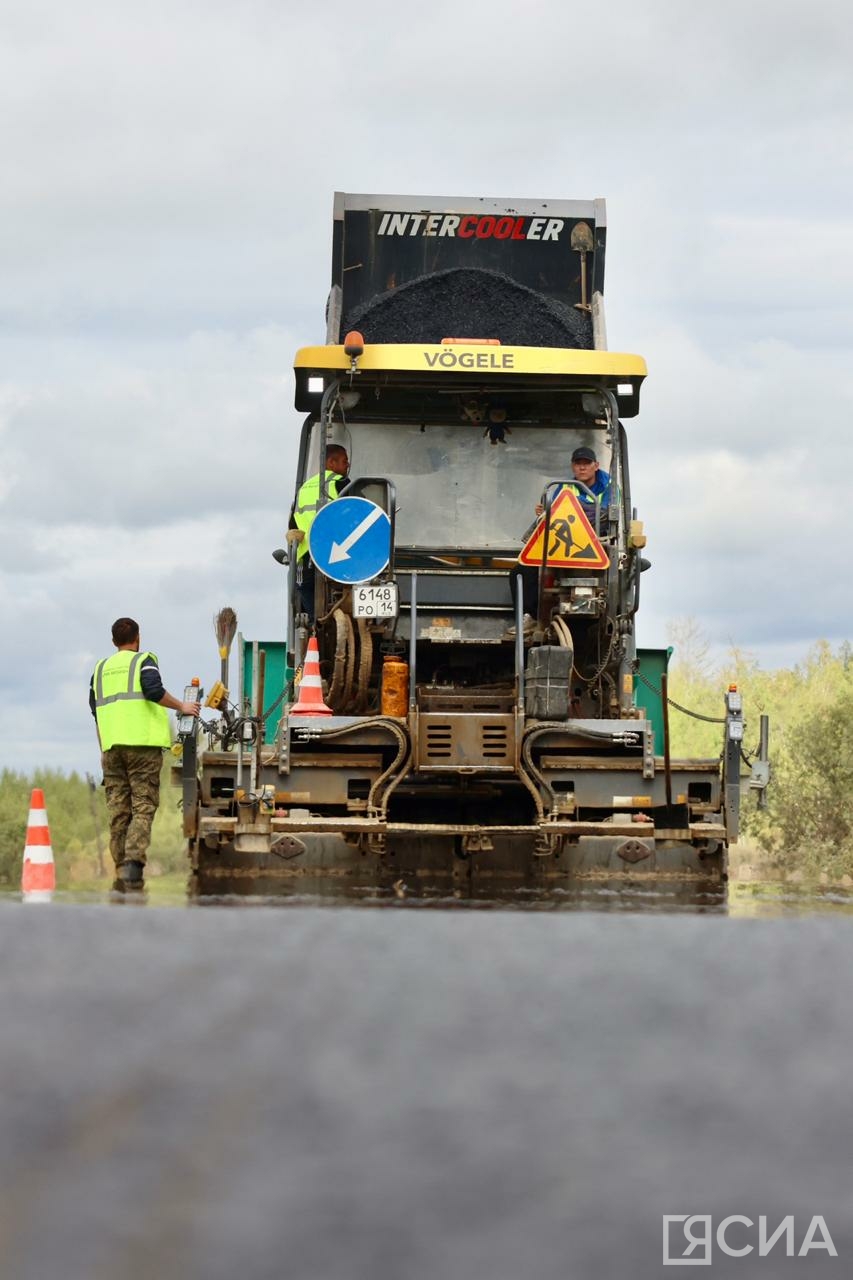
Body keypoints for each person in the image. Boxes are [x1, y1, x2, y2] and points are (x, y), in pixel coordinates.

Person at [89, 617, 200, 888]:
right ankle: (133, 865)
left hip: (111, 749)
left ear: (114, 641)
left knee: (118, 809)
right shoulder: (144, 660)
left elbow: (96, 710)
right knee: (143, 805)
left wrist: (103, 747)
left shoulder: (100, 669)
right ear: (137, 638)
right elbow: (153, 690)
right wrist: (181, 707)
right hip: (142, 747)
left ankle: (119, 868)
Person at [510, 444, 614, 623]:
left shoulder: (610, 488)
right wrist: (545, 512)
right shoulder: (565, 487)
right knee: (520, 571)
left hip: (593, 545)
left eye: (586, 463)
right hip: (563, 542)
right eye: (578, 463)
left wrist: (575, 509)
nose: (582, 467)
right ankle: (529, 618)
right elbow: (555, 513)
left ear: (596, 466)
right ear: (572, 466)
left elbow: (606, 513)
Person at [287, 444, 349, 620]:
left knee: (305, 589)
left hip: (306, 554)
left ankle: (317, 628)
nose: (347, 465)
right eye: (344, 461)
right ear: (331, 462)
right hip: (337, 552)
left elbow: (293, 523)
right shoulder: (341, 483)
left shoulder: (304, 488)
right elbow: (357, 516)